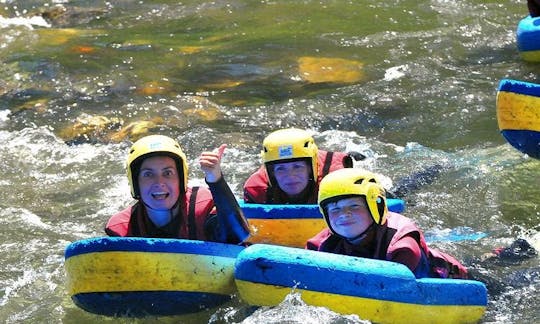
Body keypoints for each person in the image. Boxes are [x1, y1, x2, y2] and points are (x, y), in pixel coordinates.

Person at [306, 168, 468, 279]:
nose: (343, 215)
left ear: (375, 206)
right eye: (335, 210)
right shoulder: (322, 243)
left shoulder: (403, 248)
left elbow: (391, 295)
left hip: (455, 279)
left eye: (354, 206)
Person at [105, 134, 250, 244]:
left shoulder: (202, 207)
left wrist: (216, 180)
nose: (159, 183)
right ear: (136, 183)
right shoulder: (121, 228)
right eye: (148, 174)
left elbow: (237, 237)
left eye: (168, 173)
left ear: (181, 180)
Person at [243, 128, 364, 204]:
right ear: (272, 174)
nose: (290, 176)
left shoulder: (336, 180)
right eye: (281, 169)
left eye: (297, 167)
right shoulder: (256, 190)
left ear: (310, 169)